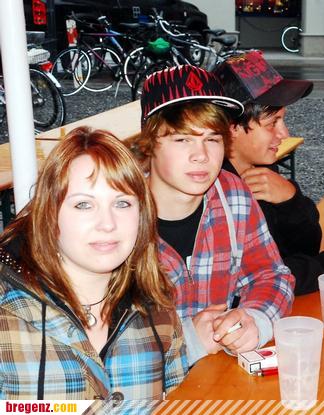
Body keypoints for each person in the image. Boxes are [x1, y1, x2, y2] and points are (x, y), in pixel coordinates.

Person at [0, 127, 187, 402]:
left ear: (142, 215)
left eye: (122, 203)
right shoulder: (7, 314)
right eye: (84, 205)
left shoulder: (157, 307)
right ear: (50, 213)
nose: (107, 224)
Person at [129, 65, 295, 364]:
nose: (201, 155)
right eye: (182, 139)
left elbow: (271, 275)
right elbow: (94, 341)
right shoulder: (116, 216)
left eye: (213, 139)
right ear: (150, 143)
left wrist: (255, 320)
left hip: (215, 380)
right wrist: (186, 342)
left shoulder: (231, 194)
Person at [213, 51, 324, 295]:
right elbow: (245, 280)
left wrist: (290, 200)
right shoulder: (213, 190)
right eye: (272, 123)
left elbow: (305, 248)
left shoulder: (263, 169)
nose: (284, 134)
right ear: (232, 128)